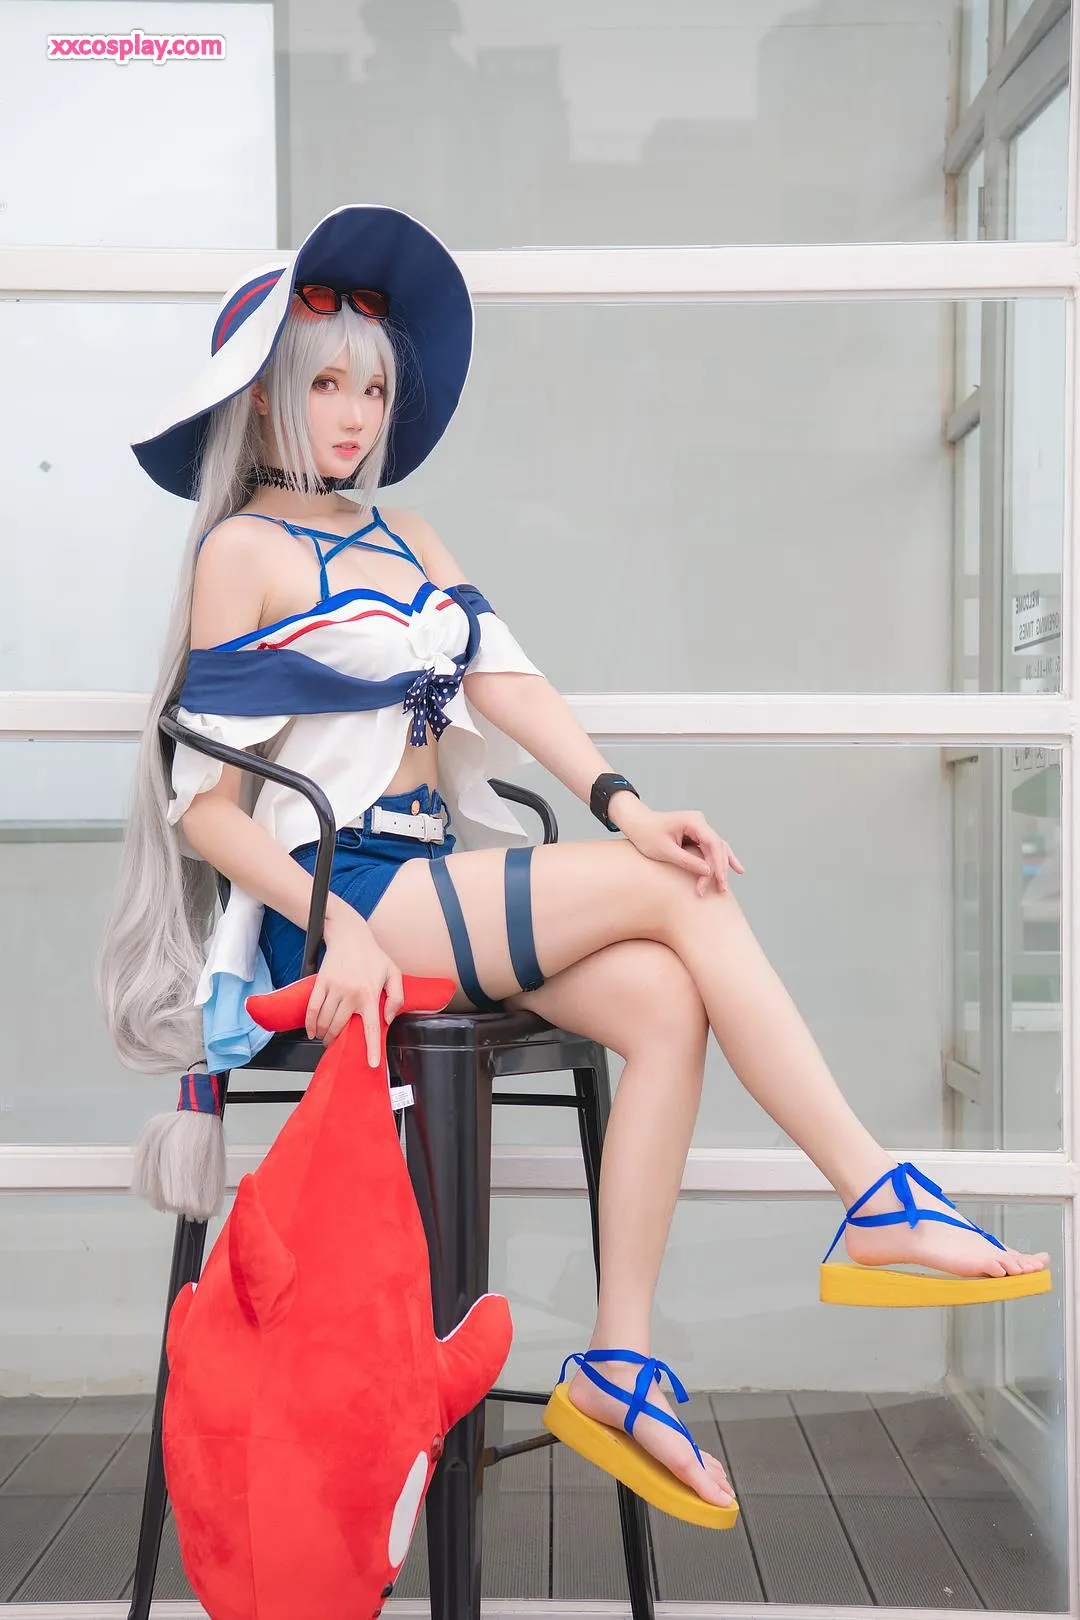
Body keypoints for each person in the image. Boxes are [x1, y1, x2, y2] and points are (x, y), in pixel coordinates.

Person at [97, 203, 1050, 1530]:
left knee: (664, 996)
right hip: (348, 902)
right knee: (676, 893)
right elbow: (205, 809)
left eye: (371, 388)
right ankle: (874, 1195)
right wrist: (337, 924)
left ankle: (617, 1359)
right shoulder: (243, 554)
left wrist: (623, 801)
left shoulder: (408, 539)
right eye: (324, 385)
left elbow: (509, 683)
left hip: (436, 883)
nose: (355, 415)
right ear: (262, 398)